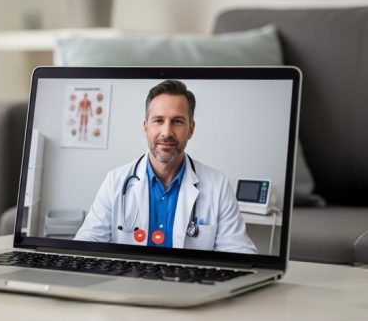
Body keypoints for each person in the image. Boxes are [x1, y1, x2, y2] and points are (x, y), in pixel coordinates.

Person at [73, 79, 256, 253]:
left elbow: (239, 252)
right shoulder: (116, 181)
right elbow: (87, 243)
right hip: (128, 281)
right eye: (158, 120)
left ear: (190, 129)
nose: (167, 132)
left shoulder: (218, 185)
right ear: (146, 127)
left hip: (190, 284)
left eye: (177, 121)